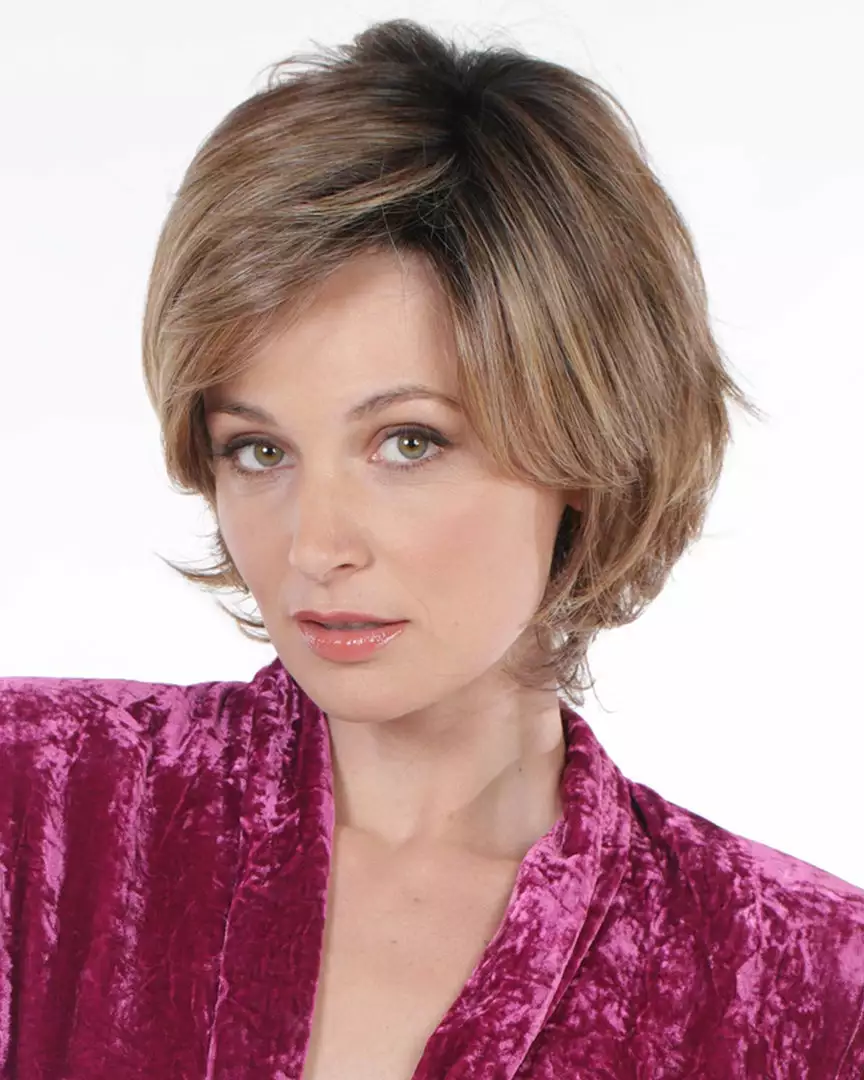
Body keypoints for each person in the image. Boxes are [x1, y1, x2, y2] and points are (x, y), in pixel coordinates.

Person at [1, 17, 862, 1080]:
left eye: (409, 442)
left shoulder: (807, 993)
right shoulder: (39, 811)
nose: (315, 546)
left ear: (588, 447)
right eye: (260, 450)